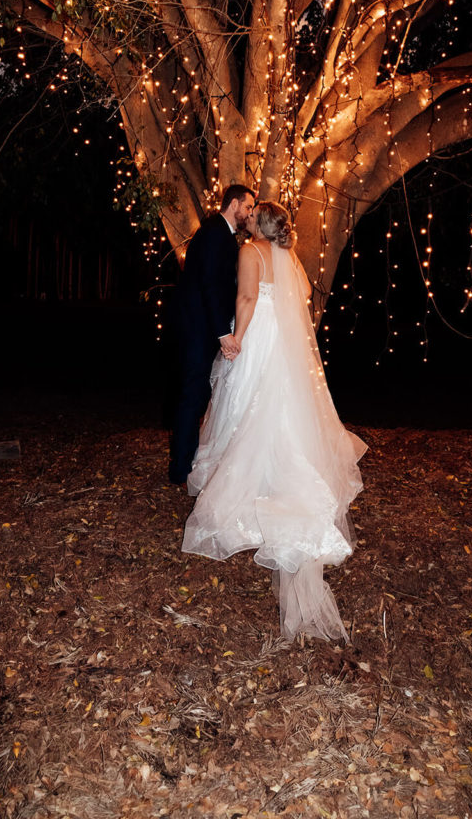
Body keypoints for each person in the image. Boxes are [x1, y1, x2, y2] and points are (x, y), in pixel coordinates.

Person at [181, 201, 367, 643]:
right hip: (283, 342)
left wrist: (237, 338)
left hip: (258, 336)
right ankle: (273, 475)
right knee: (277, 410)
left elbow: (246, 298)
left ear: (257, 224)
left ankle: (254, 481)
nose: (246, 220)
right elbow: (300, 298)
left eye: (250, 217)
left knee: (246, 406)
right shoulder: (290, 258)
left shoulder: (251, 252)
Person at [168, 184, 256, 486]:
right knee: (192, 395)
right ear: (234, 204)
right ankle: (180, 468)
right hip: (199, 328)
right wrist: (222, 332)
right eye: (247, 207)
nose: (249, 213)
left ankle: (187, 460)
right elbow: (208, 284)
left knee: (198, 394)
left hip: (204, 326)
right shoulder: (214, 233)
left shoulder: (221, 234)